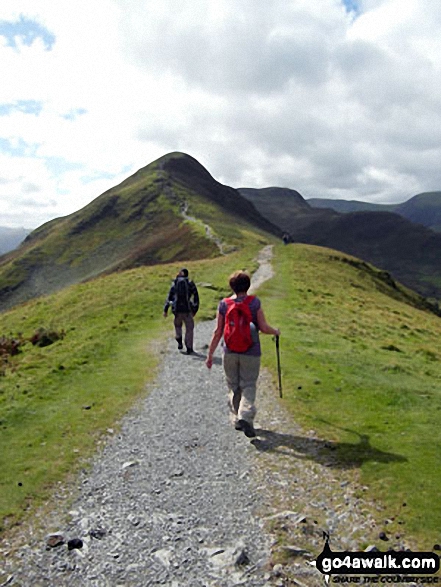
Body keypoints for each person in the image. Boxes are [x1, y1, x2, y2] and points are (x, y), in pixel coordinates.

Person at [205, 270, 280, 438]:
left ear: (231, 286)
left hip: (229, 351)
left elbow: (218, 332)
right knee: (249, 384)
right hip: (251, 352)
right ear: (248, 285)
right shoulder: (254, 303)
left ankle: (237, 419)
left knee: (233, 385)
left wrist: (210, 355)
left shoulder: (224, 304)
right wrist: (276, 331)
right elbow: (264, 327)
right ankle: (245, 415)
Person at [163, 268, 199, 354]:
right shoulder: (190, 283)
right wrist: (195, 309)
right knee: (189, 328)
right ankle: (189, 347)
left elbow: (169, 297)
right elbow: (196, 297)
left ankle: (179, 338)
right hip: (187, 310)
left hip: (177, 310)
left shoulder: (175, 283)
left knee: (178, 325)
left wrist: (166, 309)